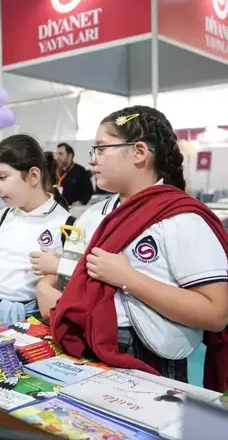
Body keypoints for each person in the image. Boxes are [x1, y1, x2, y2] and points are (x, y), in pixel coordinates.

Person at [42, 107, 228, 388]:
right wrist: (46, 285)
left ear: (139, 152)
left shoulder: (181, 219)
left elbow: (217, 314)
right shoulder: (94, 215)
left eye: (102, 149)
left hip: (150, 357)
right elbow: (66, 282)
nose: (93, 160)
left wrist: (129, 279)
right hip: (87, 348)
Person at [0, 135, 73, 325]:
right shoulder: (1, 217)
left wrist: (57, 269)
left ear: (33, 176)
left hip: (34, 322)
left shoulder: (67, 224)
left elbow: (75, 281)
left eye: (3, 177)